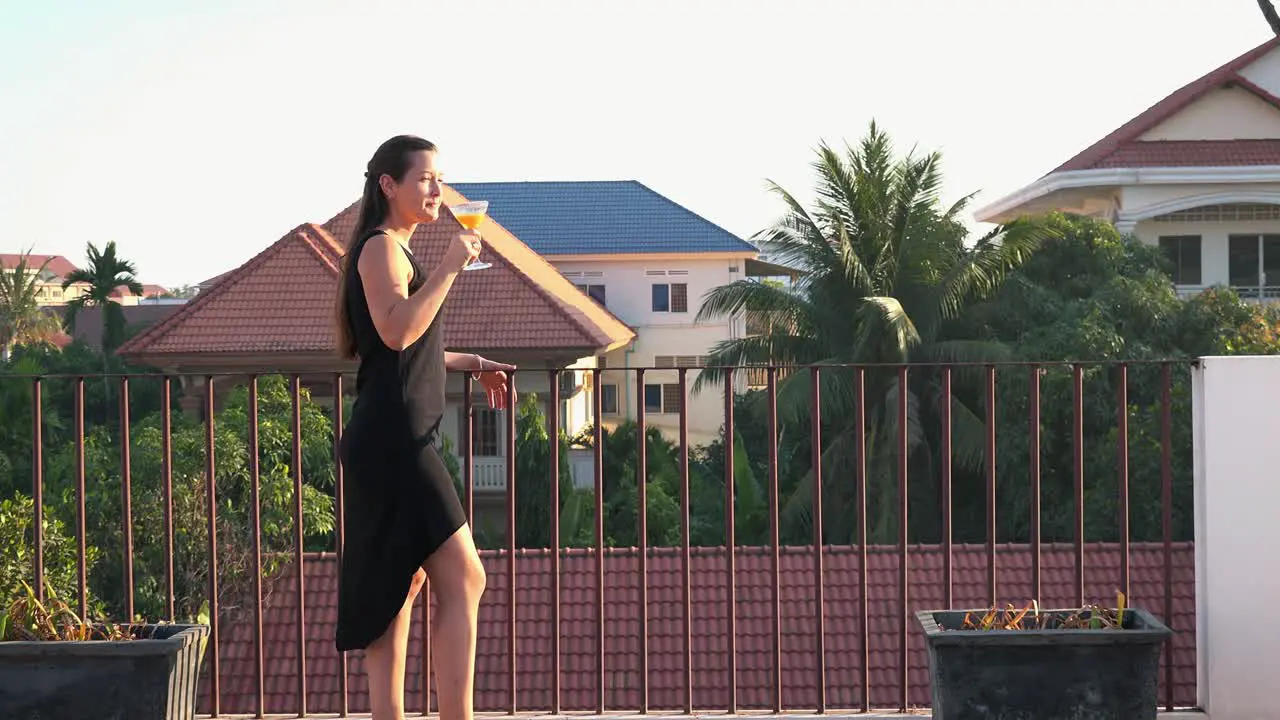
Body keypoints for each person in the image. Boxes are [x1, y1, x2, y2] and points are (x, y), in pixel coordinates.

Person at [333, 134, 514, 720]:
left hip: (396, 437)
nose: (437, 189)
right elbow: (395, 331)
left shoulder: (395, 251)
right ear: (390, 185)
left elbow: (408, 350)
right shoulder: (381, 248)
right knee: (465, 577)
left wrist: (470, 362)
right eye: (425, 179)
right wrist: (452, 266)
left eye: (439, 178)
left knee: (399, 587)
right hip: (395, 443)